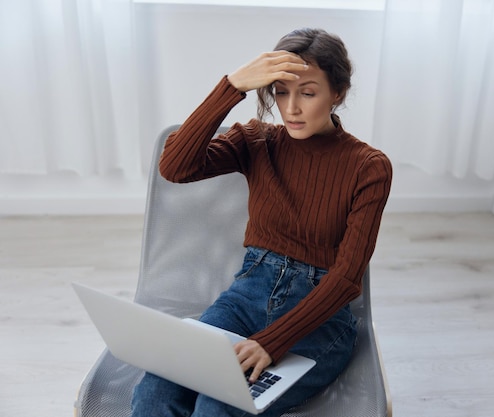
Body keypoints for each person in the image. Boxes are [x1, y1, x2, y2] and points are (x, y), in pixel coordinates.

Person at [131, 27, 392, 417]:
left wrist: (272, 342)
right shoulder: (257, 140)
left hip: (318, 319)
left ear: (337, 93)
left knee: (219, 404)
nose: (291, 109)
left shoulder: (369, 167)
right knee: (157, 389)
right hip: (245, 297)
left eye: (308, 92)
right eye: (281, 92)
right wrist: (232, 86)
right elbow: (174, 167)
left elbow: (346, 279)